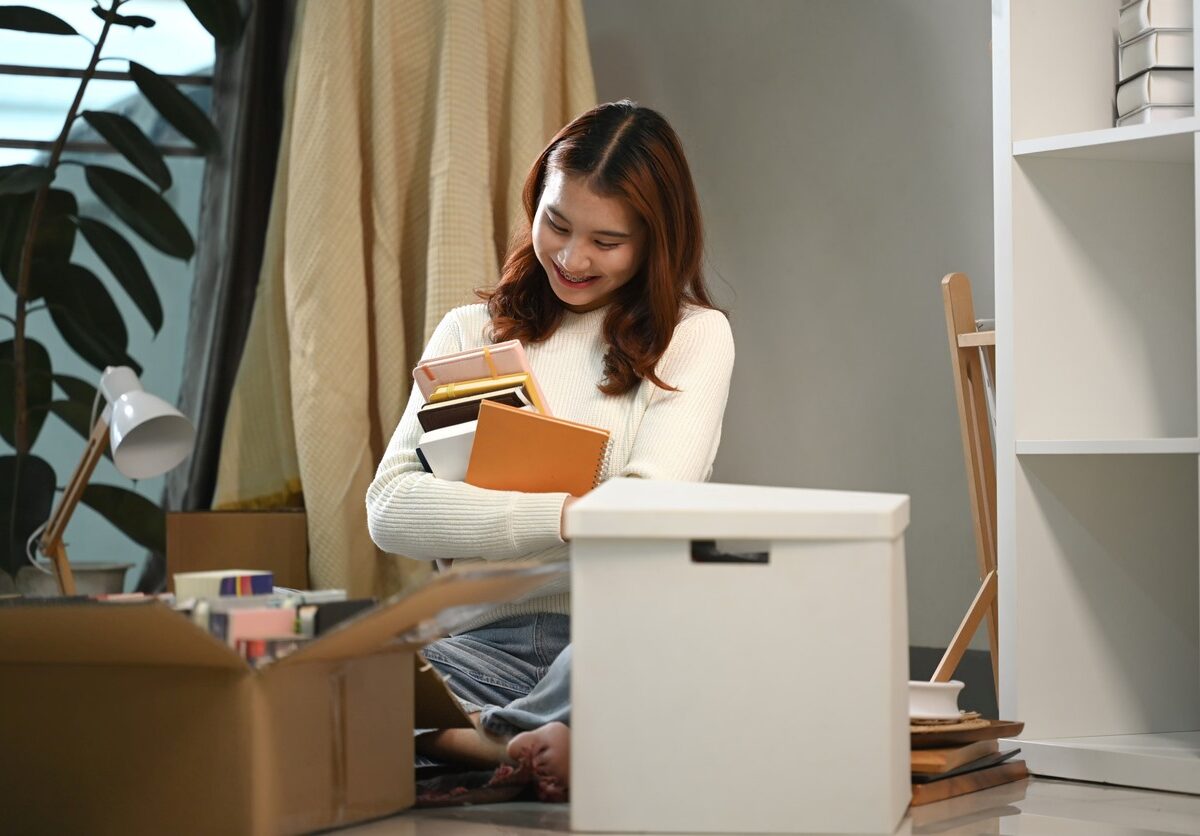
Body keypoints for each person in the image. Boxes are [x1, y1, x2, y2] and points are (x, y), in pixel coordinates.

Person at [365, 99, 735, 785]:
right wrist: (566, 516)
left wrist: (481, 511)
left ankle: (480, 740)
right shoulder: (471, 333)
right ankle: (516, 746)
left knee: (674, 657)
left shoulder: (694, 336)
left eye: (607, 241)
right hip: (480, 645)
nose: (572, 257)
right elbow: (390, 509)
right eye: (556, 224)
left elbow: (645, 512)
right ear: (535, 201)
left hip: (612, 641)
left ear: (657, 240)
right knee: (338, 683)